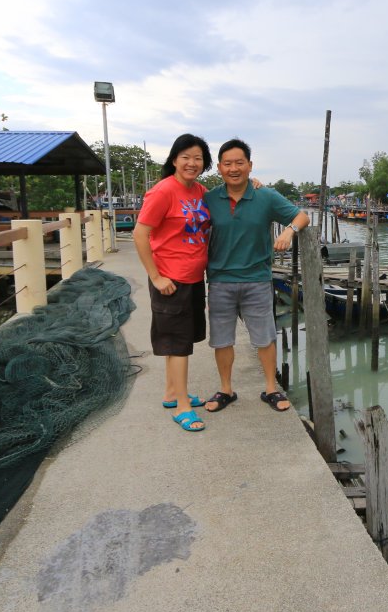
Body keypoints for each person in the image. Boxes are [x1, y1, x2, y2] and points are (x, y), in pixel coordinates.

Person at [202, 139, 308, 413]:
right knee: (222, 339)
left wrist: (288, 232)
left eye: (240, 163)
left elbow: (301, 217)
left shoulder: (266, 196)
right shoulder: (209, 198)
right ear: (219, 168)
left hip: (257, 279)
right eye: (227, 164)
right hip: (220, 280)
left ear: (250, 166)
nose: (234, 168)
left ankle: (271, 388)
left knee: (264, 337)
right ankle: (226, 389)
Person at [132, 134, 213, 432]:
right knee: (178, 345)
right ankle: (182, 406)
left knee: (180, 340)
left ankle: (171, 393)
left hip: (193, 277)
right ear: (174, 159)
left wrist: (254, 185)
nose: (192, 163)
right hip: (170, 279)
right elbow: (140, 234)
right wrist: (155, 276)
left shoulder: (200, 191)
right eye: (186, 157)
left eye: (198, 158)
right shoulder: (163, 191)